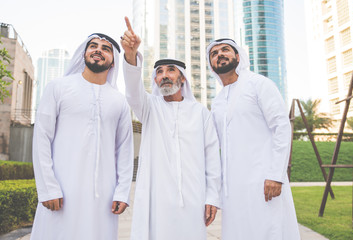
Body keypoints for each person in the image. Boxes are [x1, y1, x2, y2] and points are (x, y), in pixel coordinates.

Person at [121, 17, 221, 240]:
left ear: (182, 79)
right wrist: (130, 55)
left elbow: (212, 157)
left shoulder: (200, 113)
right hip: (156, 201)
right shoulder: (149, 108)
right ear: (155, 80)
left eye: (171, 70)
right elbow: (132, 92)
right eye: (159, 72)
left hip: (194, 198)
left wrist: (213, 196)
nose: (164, 75)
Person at [31, 33, 134, 240]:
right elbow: (42, 139)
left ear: (112, 62)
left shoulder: (119, 101)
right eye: (93, 46)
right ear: (84, 53)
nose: (98, 50)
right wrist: (48, 188)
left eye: (106, 49)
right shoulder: (58, 88)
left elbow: (124, 150)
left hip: (103, 198)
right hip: (61, 192)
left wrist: (122, 192)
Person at [206, 38, 300, 240]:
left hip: (264, 182)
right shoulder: (218, 101)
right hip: (233, 189)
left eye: (225, 50)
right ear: (212, 65)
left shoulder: (259, 84)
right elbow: (214, 145)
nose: (220, 55)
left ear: (238, 56)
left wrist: (276, 174)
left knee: (269, 231)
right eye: (214, 53)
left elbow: (282, 127)